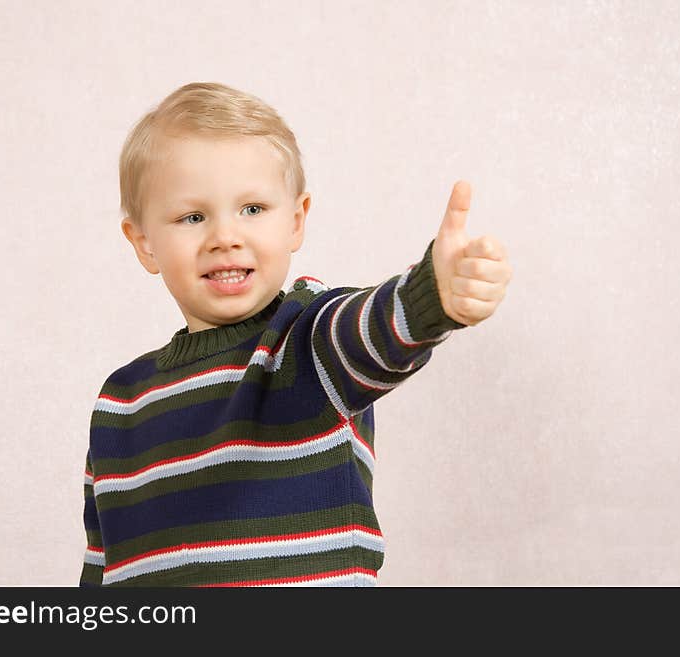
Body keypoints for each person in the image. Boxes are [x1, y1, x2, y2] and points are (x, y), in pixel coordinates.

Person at [79, 81, 512, 587]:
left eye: (253, 209)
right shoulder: (120, 403)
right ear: (145, 243)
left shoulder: (305, 341)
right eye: (193, 217)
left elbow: (368, 330)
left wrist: (431, 295)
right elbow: (100, 572)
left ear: (296, 221)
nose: (225, 237)